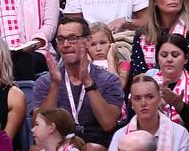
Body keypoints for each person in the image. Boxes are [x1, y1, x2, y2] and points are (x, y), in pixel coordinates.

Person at [30, 17, 124, 149]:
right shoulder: (46, 82)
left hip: (95, 144)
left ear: (88, 41)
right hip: (57, 144)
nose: (66, 44)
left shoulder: (109, 80)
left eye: (72, 38)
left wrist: (88, 83)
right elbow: (38, 125)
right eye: (61, 39)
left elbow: (108, 124)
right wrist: (55, 86)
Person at [146, 34, 189, 146]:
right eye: (164, 55)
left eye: (175, 55)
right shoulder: (146, 86)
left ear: (186, 59)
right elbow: (132, 123)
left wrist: (179, 105)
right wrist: (155, 107)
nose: (169, 59)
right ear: (157, 58)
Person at [108, 75, 189, 151]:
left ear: (159, 99)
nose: (143, 103)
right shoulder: (120, 135)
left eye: (150, 97)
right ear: (132, 103)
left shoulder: (180, 133)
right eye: (137, 98)